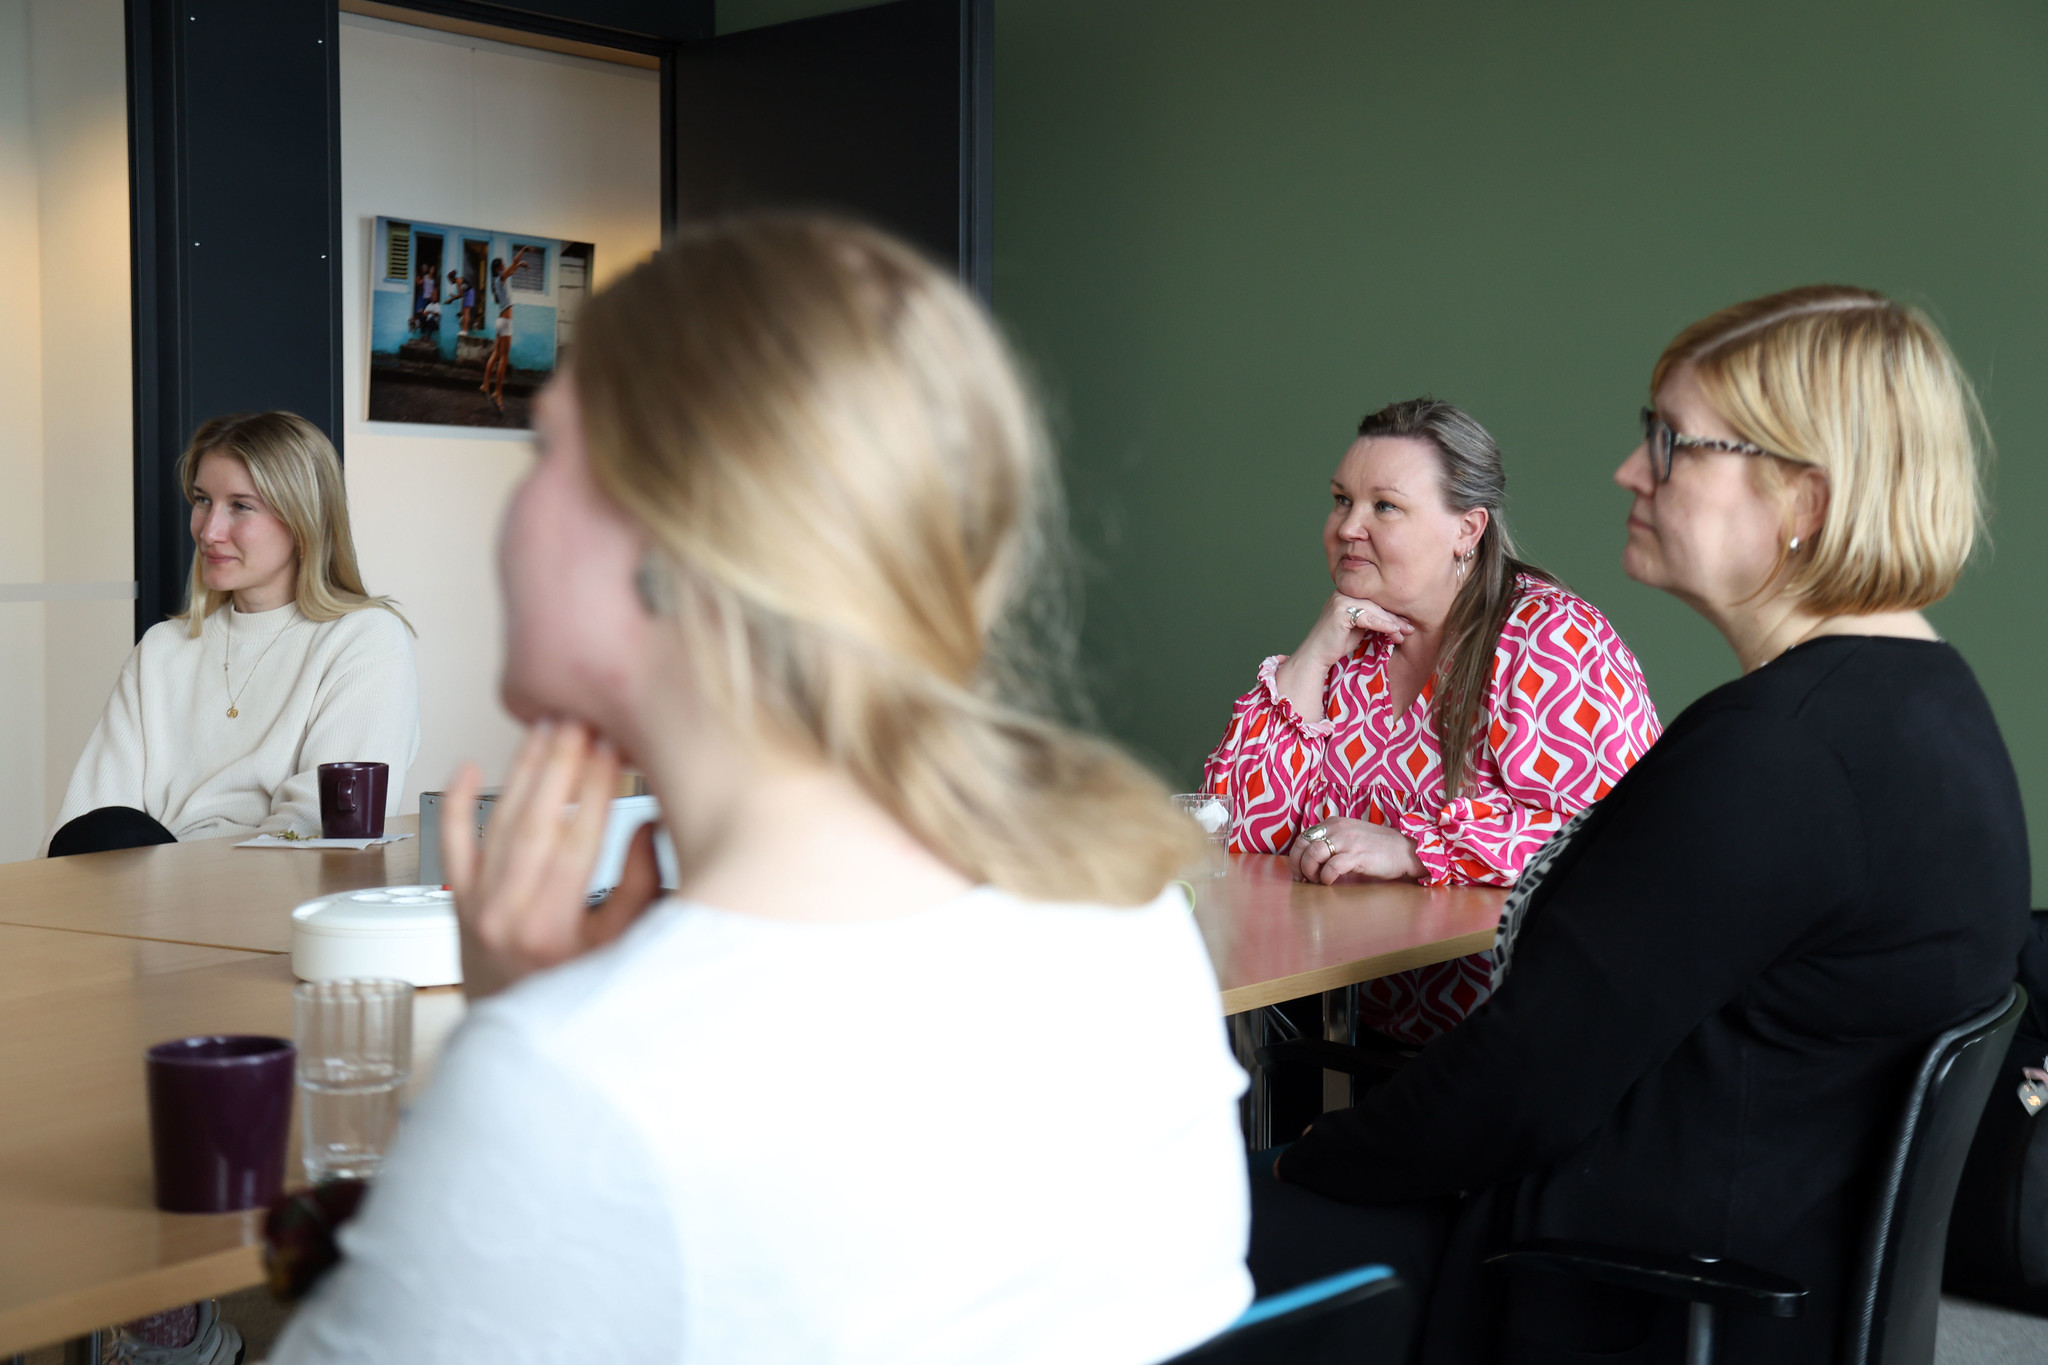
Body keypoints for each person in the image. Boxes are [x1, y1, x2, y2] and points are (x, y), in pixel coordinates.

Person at [269, 216, 1253, 1363]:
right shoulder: (1127, 921)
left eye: (544, 454)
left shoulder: (578, 1088)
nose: (513, 507)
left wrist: (519, 1039)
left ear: (671, 542)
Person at [1256, 286, 2030, 1365]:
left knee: (1171, 1243)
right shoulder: (1925, 706)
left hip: (1606, 1280)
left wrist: (1299, 1159)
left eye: (1669, 443)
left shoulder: (1778, 755)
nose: (1629, 472)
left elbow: (1519, 1081)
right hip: (1738, 1258)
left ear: (1802, 495)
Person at [1204, 399, 1659, 1047]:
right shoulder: (1357, 643)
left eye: (1384, 506)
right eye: (1341, 500)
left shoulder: (1550, 639)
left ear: (1467, 529)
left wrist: (1414, 848)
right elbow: (1240, 830)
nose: (1348, 526)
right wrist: (1313, 653)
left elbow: (1617, 843)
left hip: (1531, 1045)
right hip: (1367, 1030)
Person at [46, 412, 419, 855]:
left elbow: (322, 825)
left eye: (240, 506)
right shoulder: (163, 648)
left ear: (304, 520)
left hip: (269, 891)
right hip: (145, 890)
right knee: (103, 832)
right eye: (202, 500)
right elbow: (84, 823)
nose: (208, 531)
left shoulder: (364, 637)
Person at [480, 245, 534, 413]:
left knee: (496, 354)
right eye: (502, 265)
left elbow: (512, 268)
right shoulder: (500, 278)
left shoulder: (498, 281)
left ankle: (485, 384)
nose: (505, 266)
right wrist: (523, 250)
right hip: (505, 321)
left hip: (500, 320)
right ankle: (497, 392)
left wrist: (519, 265)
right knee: (504, 358)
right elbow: (513, 263)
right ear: (498, 268)